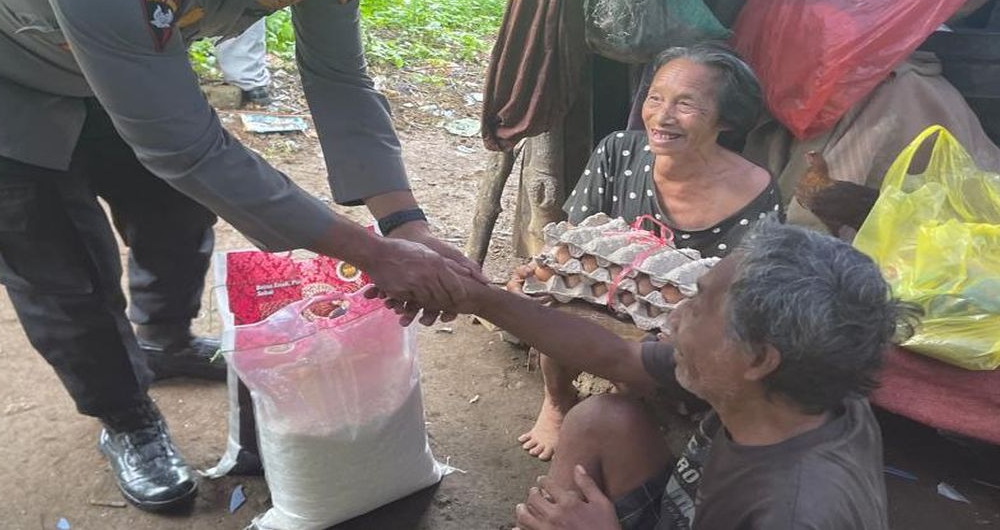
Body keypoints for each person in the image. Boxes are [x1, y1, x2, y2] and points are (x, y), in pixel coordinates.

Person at [0, 0, 476, 512]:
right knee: (61, 264)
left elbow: (340, 77)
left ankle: (163, 344)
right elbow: (187, 149)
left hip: (115, 59)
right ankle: (126, 418)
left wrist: (405, 222)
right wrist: (372, 254)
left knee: (175, 211)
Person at [390, 222, 916, 530]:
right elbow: (615, 358)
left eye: (702, 303)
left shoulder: (798, 511)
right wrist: (478, 296)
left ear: (758, 359)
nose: (675, 316)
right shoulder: (801, 394)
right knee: (602, 418)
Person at [516, 43, 781, 460]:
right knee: (550, 292)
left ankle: (640, 401)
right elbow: (574, 240)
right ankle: (556, 399)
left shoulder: (756, 192)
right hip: (598, 297)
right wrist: (540, 269)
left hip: (679, 323)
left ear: (726, 119)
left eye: (686, 104)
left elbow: (738, 294)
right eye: (655, 98)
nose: (662, 115)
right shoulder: (618, 152)